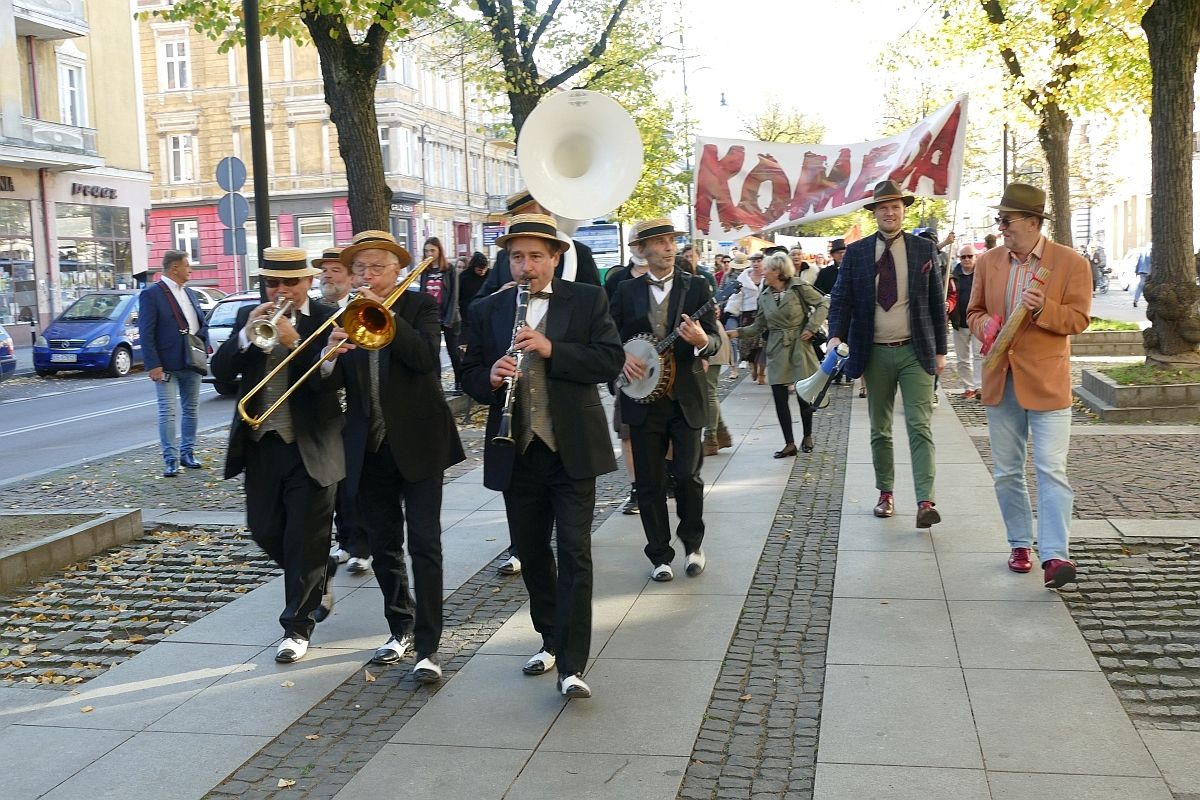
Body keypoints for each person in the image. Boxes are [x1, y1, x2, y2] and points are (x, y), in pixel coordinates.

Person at [461, 214, 624, 699]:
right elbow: (467, 375)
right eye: (517, 257)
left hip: (570, 448)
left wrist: (553, 348)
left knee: (574, 552)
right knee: (531, 554)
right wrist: (487, 377)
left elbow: (609, 360)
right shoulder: (488, 309)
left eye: (536, 256)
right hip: (517, 452)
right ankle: (550, 637)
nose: (526, 266)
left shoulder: (588, 299)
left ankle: (573, 664)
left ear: (555, 258)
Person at [326, 230, 465, 681]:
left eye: (377, 267)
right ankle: (399, 627)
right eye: (360, 268)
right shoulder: (345, 315)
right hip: (370, 448)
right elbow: (332, 386)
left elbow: (425, 358)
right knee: (385, 546)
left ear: (397, 270)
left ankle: (428, 646)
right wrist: (330, 356)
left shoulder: (420, 306)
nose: (367, 276)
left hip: (420, 442)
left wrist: (384, 314)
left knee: (425, 544)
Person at [210, 248, 344, 663]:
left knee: (302, 536)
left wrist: (296, 342)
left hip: (311, 446)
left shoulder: (329, 318)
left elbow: (332, 380)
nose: (281, 290)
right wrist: (244, 337)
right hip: (262, 443)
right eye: (273, 283)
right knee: (265, 530)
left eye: (290, 282)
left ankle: (296, 628)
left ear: (307, 281)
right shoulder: (251, 315)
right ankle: (317, 573)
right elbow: (220, 371)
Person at [967, 183, 1091, 588]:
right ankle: (1020, 543)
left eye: (1007, 220)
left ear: (1033, 222)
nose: (1000, 226)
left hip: (1047, 381)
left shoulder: (1071, 263)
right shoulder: (988, 262)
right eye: (1000, 220)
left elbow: (1078, 320)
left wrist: (1044, 310)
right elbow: (973, 311)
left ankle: (1055, 556)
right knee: (1007, 471)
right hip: (1001, 379)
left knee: (1051, 469)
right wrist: (984, 323)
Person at [826, 179, 947, 528]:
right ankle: (886, 493)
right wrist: (835, 336)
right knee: (880, 429)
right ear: (874, 213)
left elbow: (936, 305)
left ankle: (925, 501)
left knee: (919, 425)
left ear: (903, 210)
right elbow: (842, 299)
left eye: (895, 206)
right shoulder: (858, 253)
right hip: (874, 353)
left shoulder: (923, 251)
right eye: (883, 208)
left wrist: (941, 349)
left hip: (915, 350)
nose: (889, 212)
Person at [610, 218, 721, 581]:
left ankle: (693, 544)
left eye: (671, 240)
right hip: (642, 402)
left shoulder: (698, 286)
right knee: (649, 482)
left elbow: (715, 342)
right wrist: (620, 363)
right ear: (641, 250)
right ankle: (659, 554)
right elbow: (608, 342)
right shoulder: (625, 291)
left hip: (685, 396)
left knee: (688, 475)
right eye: (659, 242)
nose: (669, 247)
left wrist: (701, 341)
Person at [729, 252, 829, 456]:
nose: (763, 272)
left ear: (778, 271)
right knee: (779, 397)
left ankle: (807, 436)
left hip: (800, 346)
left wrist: (811, 327)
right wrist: (737, 332)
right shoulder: (764, 295)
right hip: (776, 348)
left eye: (767, 268)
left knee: (804, 394)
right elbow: (759, 325)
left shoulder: (798, 286)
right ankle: (789, 443)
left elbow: (823, 303)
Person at [314, 247, 371, 574]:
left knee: (357, 485)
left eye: (335, 270)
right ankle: (346, 540)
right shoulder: (321, 312)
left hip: (356, 409)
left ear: (351, 277)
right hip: (327, 412)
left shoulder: (360, 309)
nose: (327, 276)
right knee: (337, 486)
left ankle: (363, 544)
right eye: (324, 271)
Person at [139, 250, 209, 477]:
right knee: (167, 412)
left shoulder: (190, 293)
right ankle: (170, 459)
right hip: (166, 364)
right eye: (187, 265)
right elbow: (146, 332)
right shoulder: (152, 294)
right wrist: (153, 365)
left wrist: (203, 346)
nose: (191, 269)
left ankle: (187, 453)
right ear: (174, 268)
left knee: (191, 409)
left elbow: (201, 322)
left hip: (192, 361)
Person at [472, 190, 602, 303]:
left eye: (531, 215)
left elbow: (593, 303)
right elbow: (478, 304)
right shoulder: (503, 256)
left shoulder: (579, 253)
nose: (527, 222)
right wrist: (501, 295)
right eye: (519, 217)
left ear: (547, 213)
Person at [419, 237, 462, 394]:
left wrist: (449, 319)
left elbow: (454, 296)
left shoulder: (449, 269)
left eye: (432, 250)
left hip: (450, 317)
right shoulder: (424, 270)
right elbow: (422, 294)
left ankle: (459, 381)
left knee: (453, 351)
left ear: (439, 251)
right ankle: (437, 384)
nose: (429, 253)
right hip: (432, 317)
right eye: (426, 251)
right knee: (433, 352)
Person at [949, 244, 981, 399]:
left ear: (976, 257)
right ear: (959, 258)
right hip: (959, 322)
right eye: (963, 257)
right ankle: (969, 387)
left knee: (979, 356)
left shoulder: (982, 275)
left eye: (970, 256)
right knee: (962, 359)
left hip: (978, 322)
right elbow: (949, 297)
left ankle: (979, 387)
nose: (967, 259)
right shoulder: (952, 277)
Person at [738, 252, 767, 383]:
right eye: (753, 261)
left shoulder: (768, 275)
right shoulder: (743, 277)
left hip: (764, 312)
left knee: (763, 344)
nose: (756, 263)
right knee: (748, 343)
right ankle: (753, 366)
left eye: (758, 261)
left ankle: (762, 373)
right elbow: (737, 295)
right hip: (747, 313)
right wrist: (730, 311)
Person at [458, 251, 490, 328]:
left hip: (486, 314)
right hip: (467, 315)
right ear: (473, 267)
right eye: (479, 270)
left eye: (484, 269)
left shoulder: (490, 274)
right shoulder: (464, 277)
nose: (482, 272)